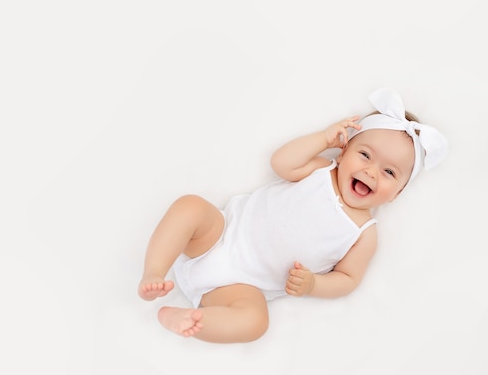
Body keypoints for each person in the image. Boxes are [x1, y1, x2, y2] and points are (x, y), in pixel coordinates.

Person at [137, 87, 448, 343]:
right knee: (190, 206)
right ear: (343, 152)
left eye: (389, 172)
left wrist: (314, 285)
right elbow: (281, 163)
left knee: (256, 322)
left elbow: (348, 278)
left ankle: (194, 320)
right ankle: (154, 272)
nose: (370, 171)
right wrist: (323, 139)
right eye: (365, 154)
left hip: (241, 286)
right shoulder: (321, 170)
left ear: (396, 194)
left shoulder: (364, 232)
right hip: (219, 235)